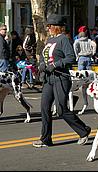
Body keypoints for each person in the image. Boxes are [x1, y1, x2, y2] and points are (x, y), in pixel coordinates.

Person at [32, 14, 91, 148]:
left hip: (61, 78)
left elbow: (71, 58)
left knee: (61, 109)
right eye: (48, 26)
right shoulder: (49, 40)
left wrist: (56, 65)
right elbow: (44, 57)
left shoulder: (64, 39)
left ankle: (83, 130)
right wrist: (41, 64)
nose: (48, 28)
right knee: (45, 108)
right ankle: (46, 138)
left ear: (57, 27)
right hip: (49, 78)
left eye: (50, 26)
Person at [73, 25, 96, 111]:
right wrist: (92, 53)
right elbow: (94, 45)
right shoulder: (89, 40)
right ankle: (92, 95)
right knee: (90, 79)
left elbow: (75, 48)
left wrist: (77, 56)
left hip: (81, 58)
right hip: (88, 58)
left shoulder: (77, 41)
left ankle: (84, 98)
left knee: (81, 79)